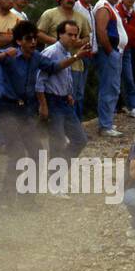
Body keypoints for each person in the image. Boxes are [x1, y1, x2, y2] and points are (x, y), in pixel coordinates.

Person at [0, 20, 80, 209]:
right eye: (29, 39)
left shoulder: (36, 57)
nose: (34, 42)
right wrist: (3, 54)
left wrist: (76, 57)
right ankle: (6, 200)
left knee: (37, 152)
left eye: (35, 38)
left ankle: (27, 200)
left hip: (26, 110)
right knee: (17, 154)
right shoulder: (10, 55)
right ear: (19, 41)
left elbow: (54, 67)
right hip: (7, 109)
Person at [37, 19, 93, 163]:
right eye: (70, 35)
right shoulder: (51, 52)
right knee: (57, 142)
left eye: (76, 35)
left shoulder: (67, 52)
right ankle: (55, 177)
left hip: (64, 101)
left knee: (80, 139)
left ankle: (57, 171)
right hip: (52, 100)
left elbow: (64, 75)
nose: (74, 38)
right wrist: (43, 104)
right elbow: (39, 80)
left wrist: (68, 93)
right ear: (60, 35)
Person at [93, 0, 126, 137]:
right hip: (109, 52)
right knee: (109, 88)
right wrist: (109, 51)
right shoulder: (103, 7)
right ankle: (105, 125)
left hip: (114, 51)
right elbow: (101, 31)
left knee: (113, 87)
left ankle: (107, 122)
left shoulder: (110, 7)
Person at [72, 0, 99, 117]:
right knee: (75, 91)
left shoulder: (90, 8)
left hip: (89, 53)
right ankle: (75, 123)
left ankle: (78, 122)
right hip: (78, 54)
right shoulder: (76, 7)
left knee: (80, 91)